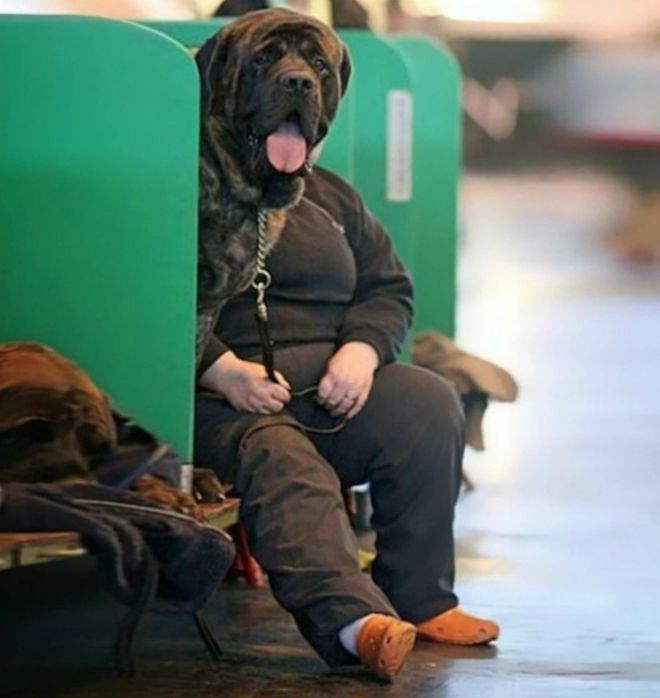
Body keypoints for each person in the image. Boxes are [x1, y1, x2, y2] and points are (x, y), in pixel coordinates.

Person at [194, 160, 499, 680]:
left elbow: (388, 288)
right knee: (282, 458)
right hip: (220, 399)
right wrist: (220, 370)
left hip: (330, 385)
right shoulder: (187, 183)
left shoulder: (330, 194)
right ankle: (355, 625)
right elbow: (146, 297)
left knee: (428, 403)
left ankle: (421, 601)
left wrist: (363, 349)